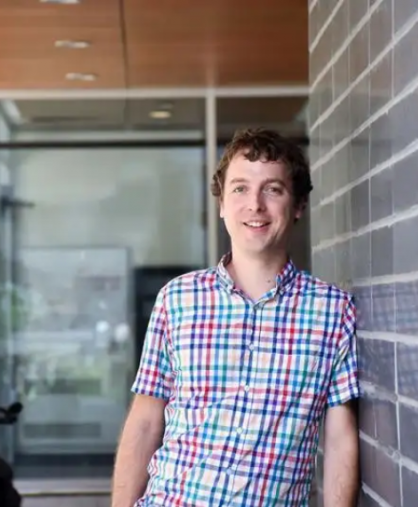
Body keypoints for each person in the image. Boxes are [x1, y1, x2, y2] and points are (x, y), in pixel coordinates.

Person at [111, 128, 361, 507]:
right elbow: (145, 421)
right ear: (222, 205)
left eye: (272, 189)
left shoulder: (333, 311)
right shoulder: (177, 299)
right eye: (240, 189)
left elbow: (340, 437)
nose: (255, 205)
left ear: (298, 205)